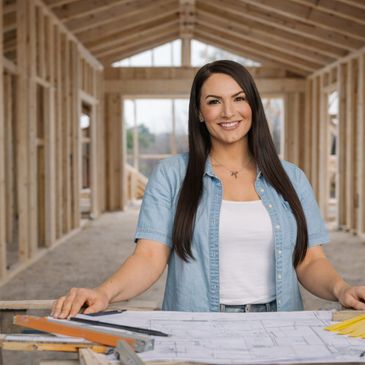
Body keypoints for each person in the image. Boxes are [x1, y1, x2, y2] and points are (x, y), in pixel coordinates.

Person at [52, 60, 365, 318]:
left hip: (279, 323)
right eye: (214, 102)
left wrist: (341, 289)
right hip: (197, 322)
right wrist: (103, 292)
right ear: (200, 113)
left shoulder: (291, 178)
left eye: (239, 98)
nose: (228, 112)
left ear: (253, 106)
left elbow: (310, 260)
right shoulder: (171, 175)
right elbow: (148, 257)